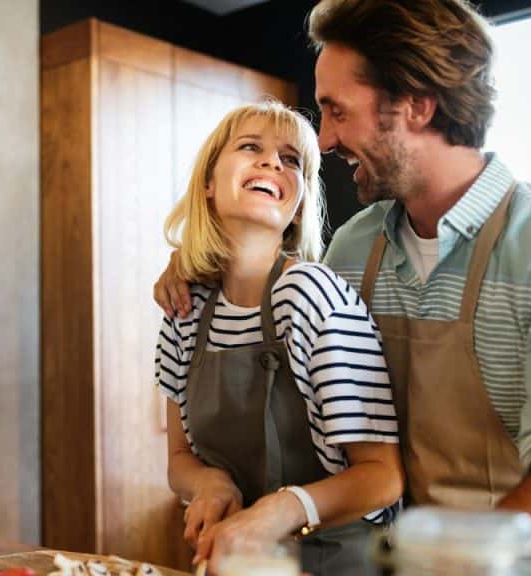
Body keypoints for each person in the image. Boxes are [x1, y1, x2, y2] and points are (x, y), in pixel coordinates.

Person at [155, 2, 531, 575]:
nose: (326, 140)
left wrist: (473, 559)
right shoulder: (354, 250)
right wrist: (198, 267)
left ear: (416, 104)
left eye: (337, 111)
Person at [155, 100, 403, 575]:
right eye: (251, 147)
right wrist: (207, 484)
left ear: (299, 204)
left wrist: (281, 510)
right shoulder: (184, 310)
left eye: (291, 160)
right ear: (208, 184)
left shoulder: (312, 295)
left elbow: (382, 477)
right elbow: (178, 458)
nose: (272, 162)